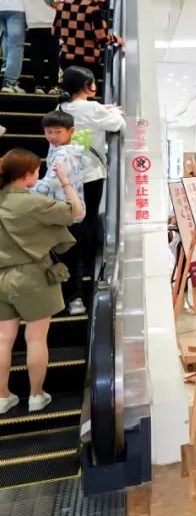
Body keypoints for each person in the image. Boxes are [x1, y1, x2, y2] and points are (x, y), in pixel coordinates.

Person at [0, 148, 82, 415]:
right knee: (35, 338)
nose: (38, 174)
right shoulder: (33, 203)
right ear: (27, 175)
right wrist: (65, 181)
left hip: (1, 276)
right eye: (37, 171)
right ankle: (36, 396)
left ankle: (2, 397)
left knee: (3, 340)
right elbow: (76, 211)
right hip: (32, 277)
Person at [57, 66, 124, 304]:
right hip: (91, 173)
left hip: (67, 174)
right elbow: (118, 124)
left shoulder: (61, 108)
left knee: (73, 219)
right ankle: (85, 269)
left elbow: (89, 114)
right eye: (91, 81)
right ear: (84, 85)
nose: (95, 85)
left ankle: (72, 274)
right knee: (88, 220)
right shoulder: (92, 108)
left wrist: (105, 109)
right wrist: (113, 111)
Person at [34, 110, 89, 315]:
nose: (52, 136)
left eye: (57, 131)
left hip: (64, 213)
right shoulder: (70, 149)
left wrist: (22, 188)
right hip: (72, 210)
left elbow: (51, 183)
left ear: (71, 131)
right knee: (71, 256)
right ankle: (73, 298)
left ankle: (72, 298)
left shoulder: (63, 154)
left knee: (67, 257)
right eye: (48, 131)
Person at [54, 0, 124, 83]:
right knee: (85, 90)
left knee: (70, 89)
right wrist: (117, 39)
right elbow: (101, 37)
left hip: (66, 59)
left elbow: (55, 31)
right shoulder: (95, 8)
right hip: (88, 61)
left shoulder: (64, 4)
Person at [20, 0, 63, 95]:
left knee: (36, 55)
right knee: (52, 55)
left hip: (32, 22)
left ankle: (39, 85)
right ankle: (53, 86)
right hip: (49, 22)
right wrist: (60, 5)